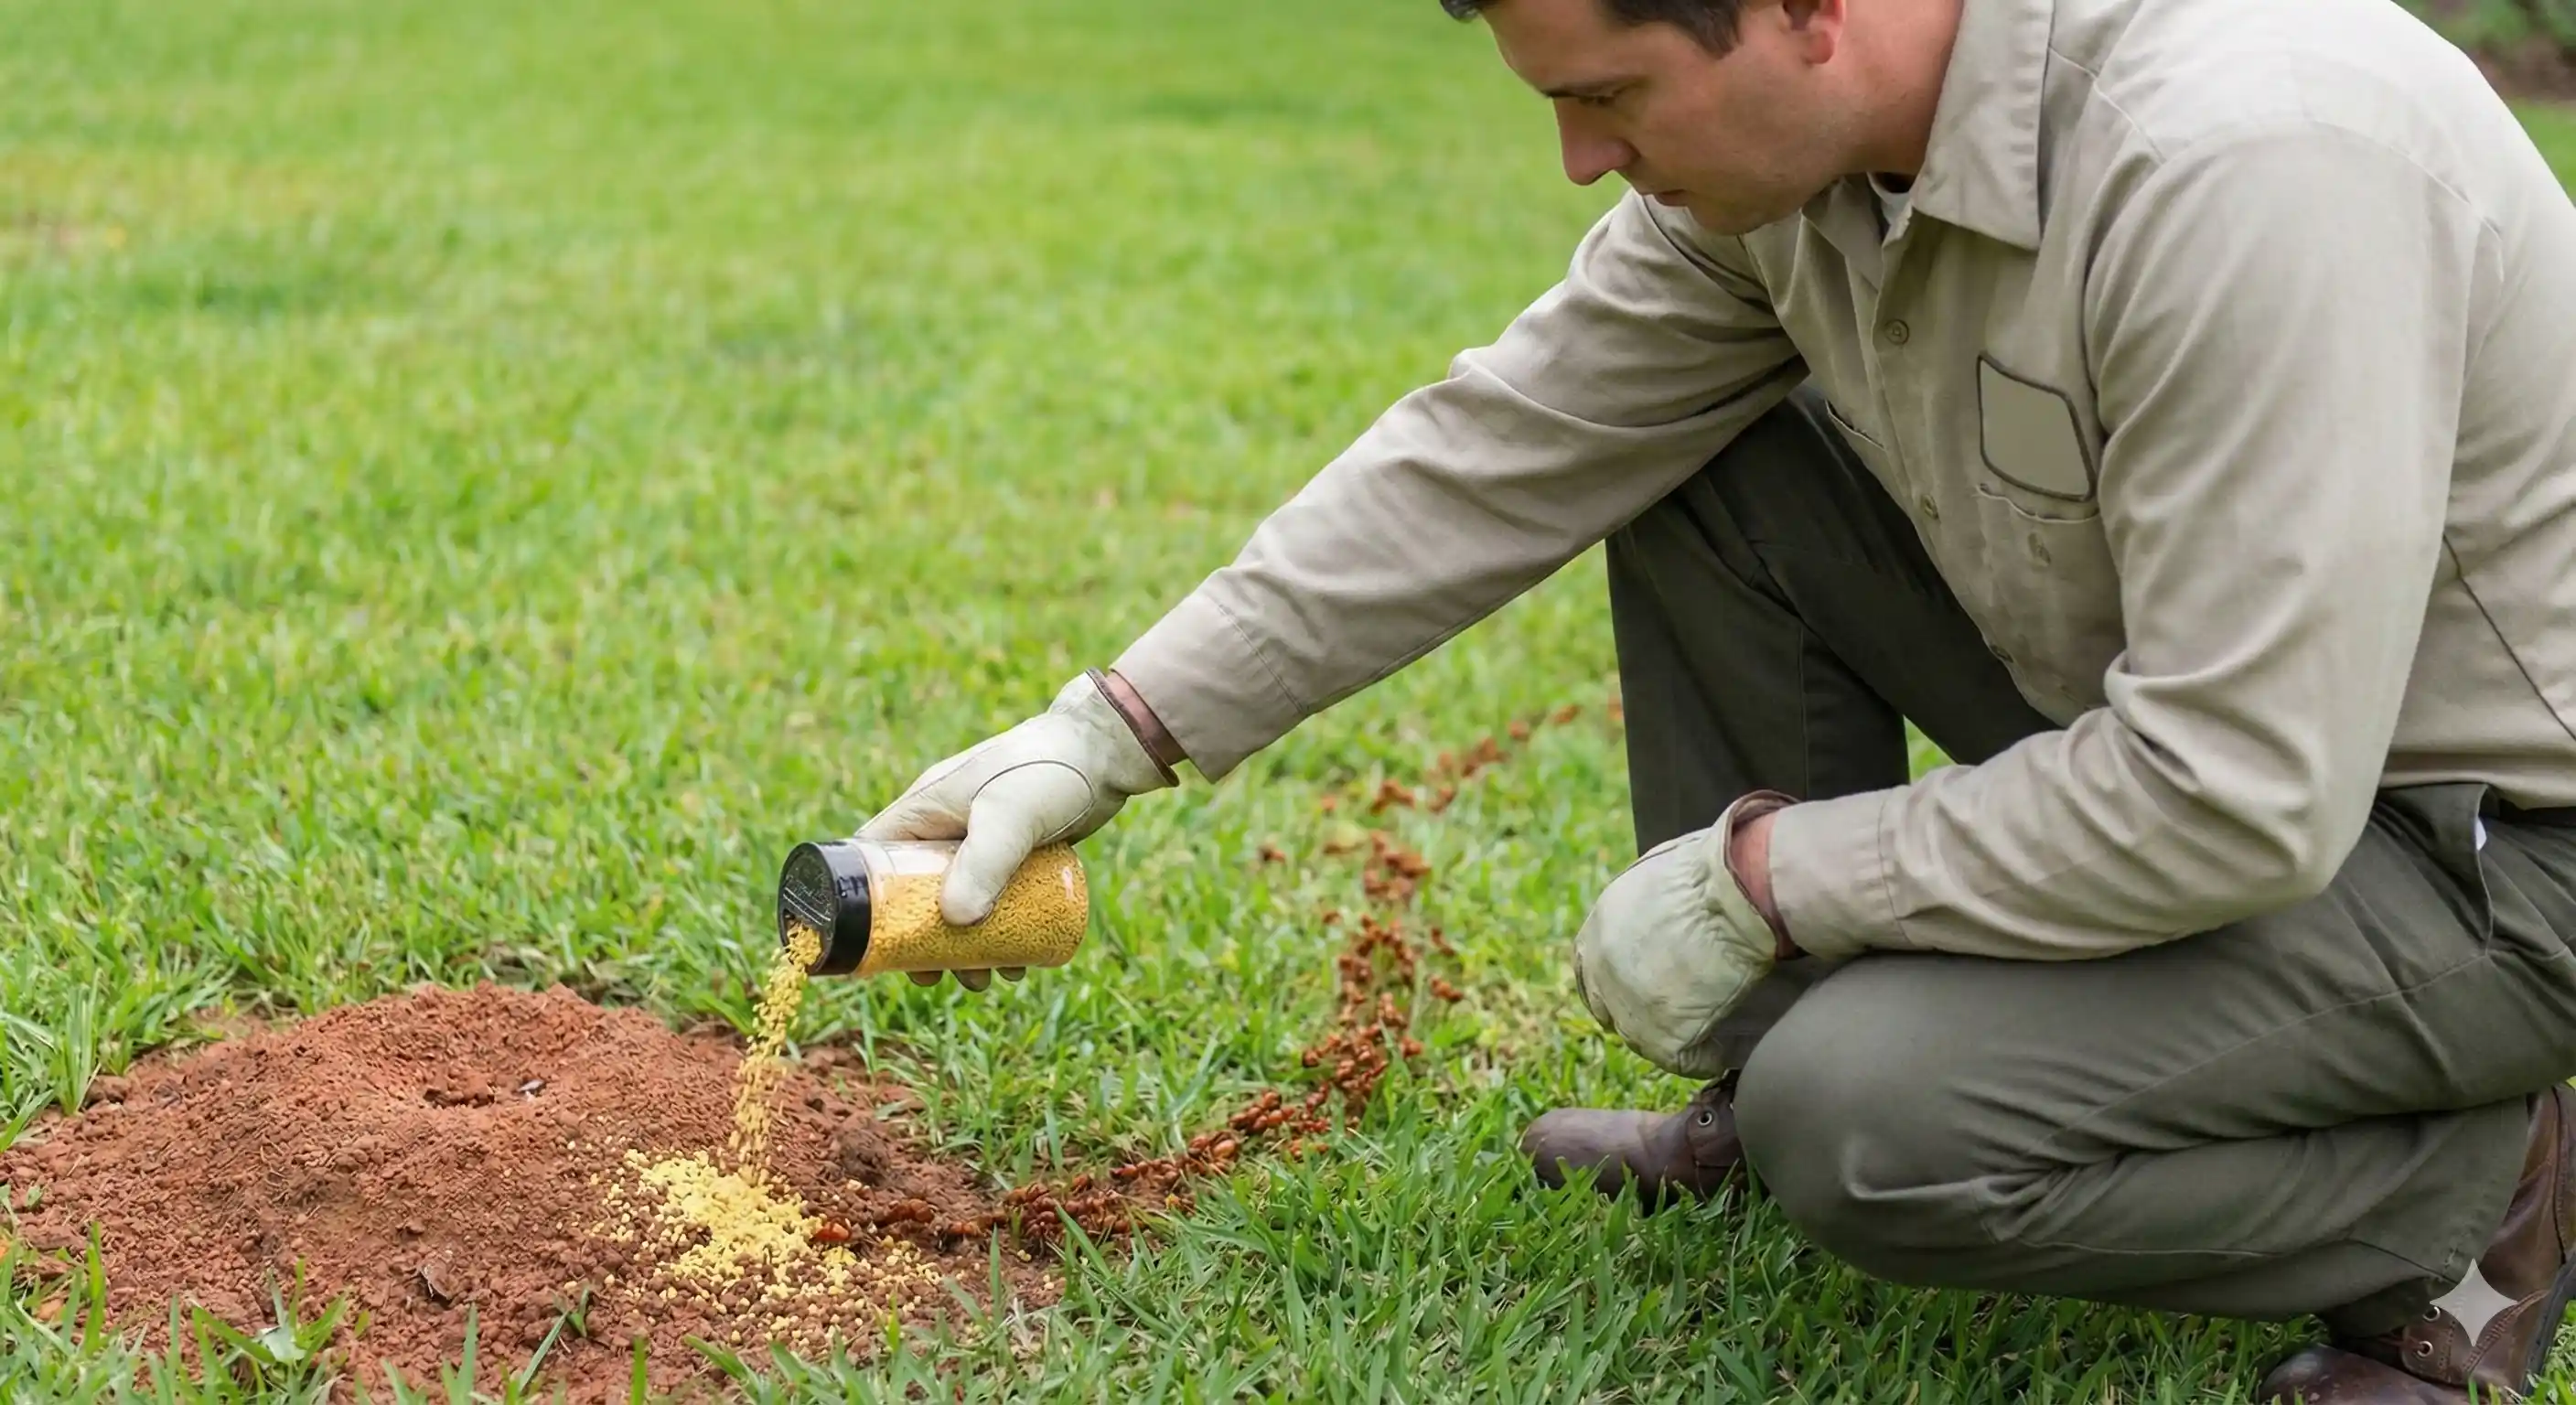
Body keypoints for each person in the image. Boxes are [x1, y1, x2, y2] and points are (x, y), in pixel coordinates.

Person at [853, 0, 2576, 1396]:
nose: (1579, 157)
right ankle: (1763, 1089)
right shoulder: (1797, 180)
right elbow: (1511, 445)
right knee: (1701, 459)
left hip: (2492, 857)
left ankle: (2467, 1192)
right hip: (2209, 738)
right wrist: (1114, 728)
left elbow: (2232, 789)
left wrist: (1762, 878)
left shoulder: (2246, 161)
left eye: (1608, 93)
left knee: (1878, 1124)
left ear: (1813, 12)